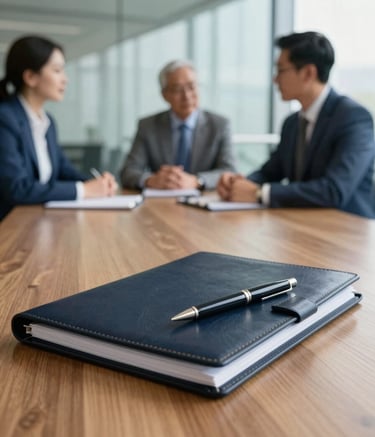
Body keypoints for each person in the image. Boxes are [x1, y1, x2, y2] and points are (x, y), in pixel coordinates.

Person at [217, 31, 375, 218]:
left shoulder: (354, 118)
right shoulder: (292, 123)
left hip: (348, 232)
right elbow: (271, 171)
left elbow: (334, 190)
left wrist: (260, 194)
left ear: (308, 72)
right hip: (301, 225)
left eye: (281, 70)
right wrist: (238, 183)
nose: (275, 79)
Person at [0, 35, 117, 220]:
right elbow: (17, 188)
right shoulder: (5, 118)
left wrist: (95, 183)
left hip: (39, 221)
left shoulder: (48, 122)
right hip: (10, 228)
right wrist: (83, 190)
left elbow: (63, 170)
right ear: (30, 77)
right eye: (57, 70)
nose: (65, 79)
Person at [120, 60, 236, 191]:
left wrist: (197, 181)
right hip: (160, 203)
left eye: (191, 87)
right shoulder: (148, 126)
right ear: (164, 95)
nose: (186, 96)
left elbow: (229, 170)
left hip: (204, 202)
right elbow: (128, 171)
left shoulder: (220, 125)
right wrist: (151, 180)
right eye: (177, 89)